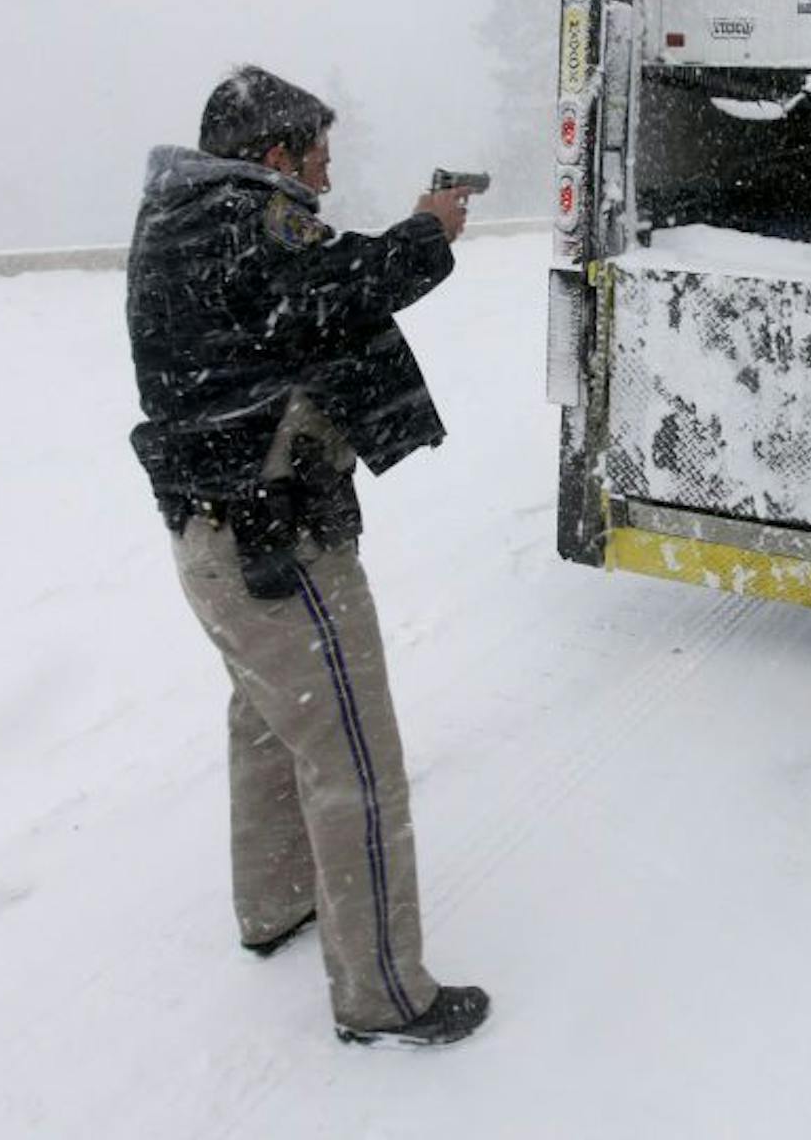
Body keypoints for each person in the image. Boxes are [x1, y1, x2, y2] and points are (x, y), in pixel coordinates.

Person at [125, 65, 489, 1048]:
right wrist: (430, 229)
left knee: (266, 718)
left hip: (218, 536)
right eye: (319, 148)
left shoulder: (185, 215)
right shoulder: (247, 215)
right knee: (355, 756)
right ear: (275, 151)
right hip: (276, 542)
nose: (329, 167)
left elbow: (299, 303)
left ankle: (276, 901)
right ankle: (384, 991)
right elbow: (341, 285)